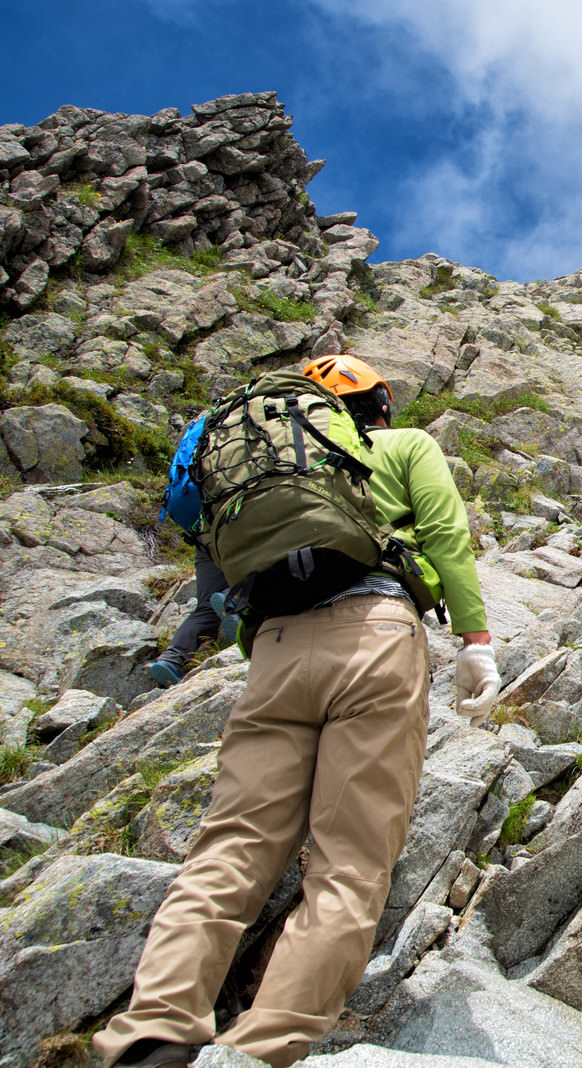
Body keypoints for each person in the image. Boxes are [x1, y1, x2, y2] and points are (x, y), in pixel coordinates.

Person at [95, 354, 501, 1068]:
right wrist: (475, 642)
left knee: (230, 848)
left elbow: (219, 599)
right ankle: (259, 1050)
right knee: (348, 865)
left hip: (275, 649)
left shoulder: (255, 471)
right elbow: (447, 536)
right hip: (375, 632)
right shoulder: (404, 447)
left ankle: (151, 1032)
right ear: (375, 402)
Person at [147, 543, 228, 687]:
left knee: (206, 607)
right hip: (240, 531)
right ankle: (232, 601)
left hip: (205, 541)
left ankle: (171, 660)